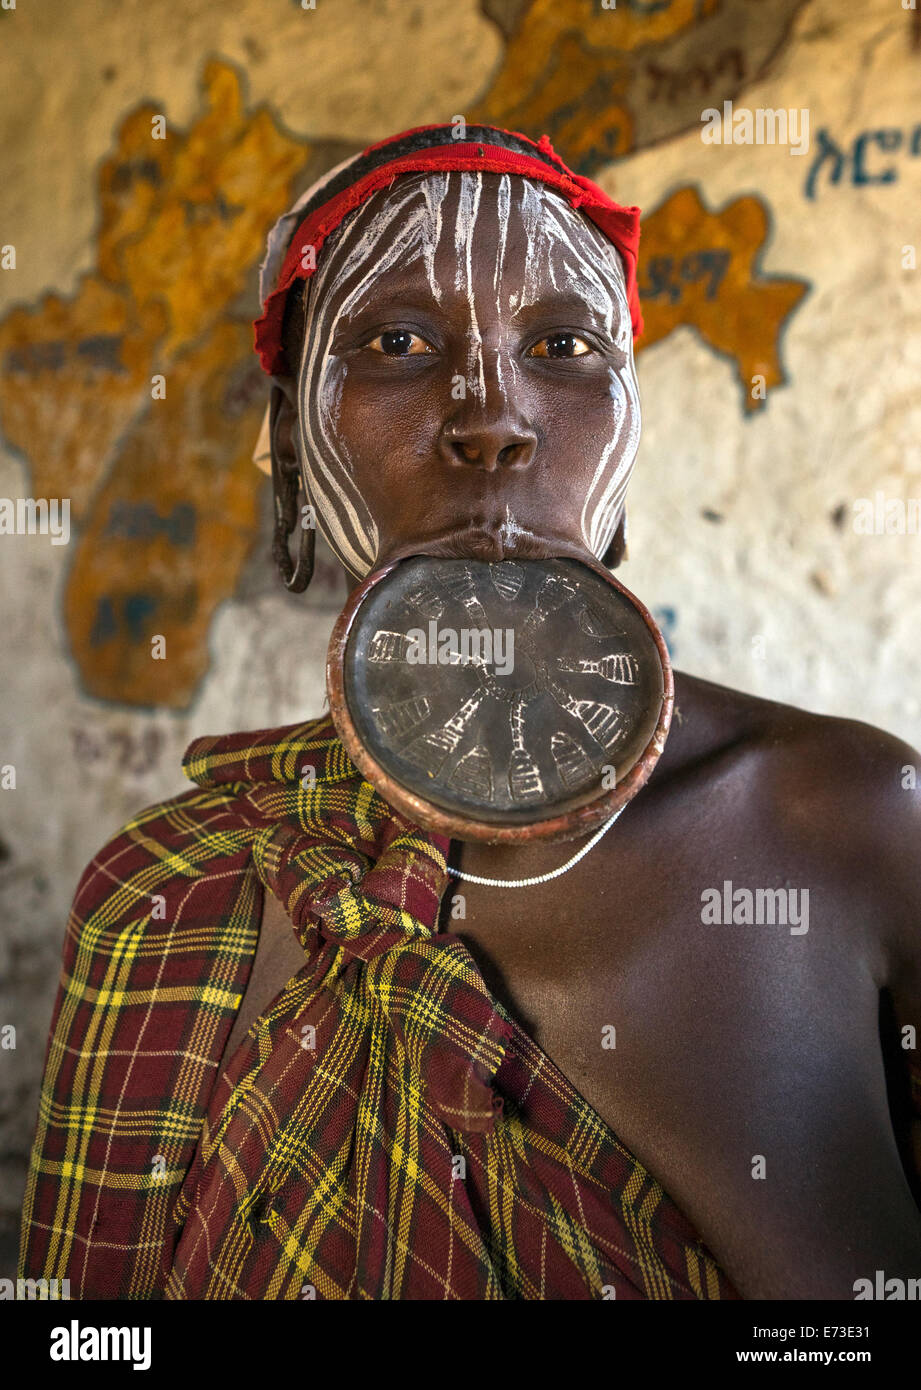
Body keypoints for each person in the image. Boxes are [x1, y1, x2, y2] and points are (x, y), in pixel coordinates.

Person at [19, 124, 921, 1301]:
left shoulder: (855, 825)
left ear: (628, 432)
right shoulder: (165, 892)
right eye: (397, 342)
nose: (493, 416)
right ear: (289, 447)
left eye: (563, 345)